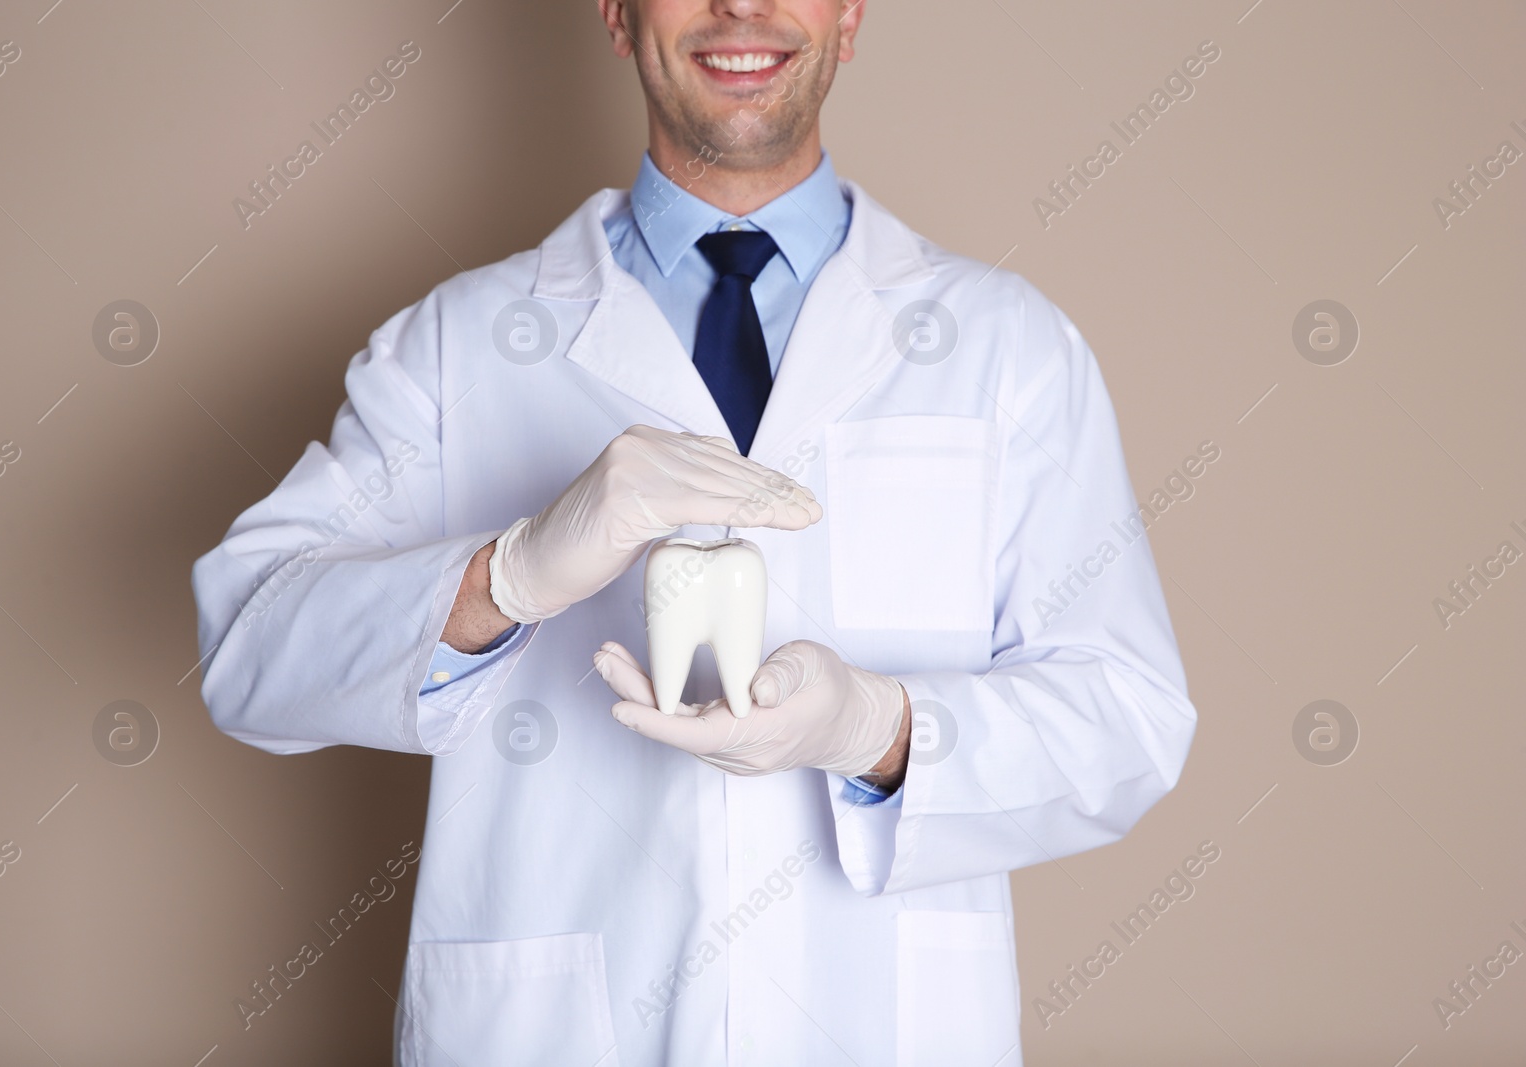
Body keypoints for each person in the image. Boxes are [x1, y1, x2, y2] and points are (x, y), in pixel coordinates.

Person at [191, 1, 1198, 1062]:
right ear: (617, 14)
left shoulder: (1007, 347)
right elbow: (245, 647)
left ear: (849, 15)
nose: (742, 6)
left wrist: (877, 730)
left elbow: (1125, 718)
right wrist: (511, 574)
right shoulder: (459, 344)